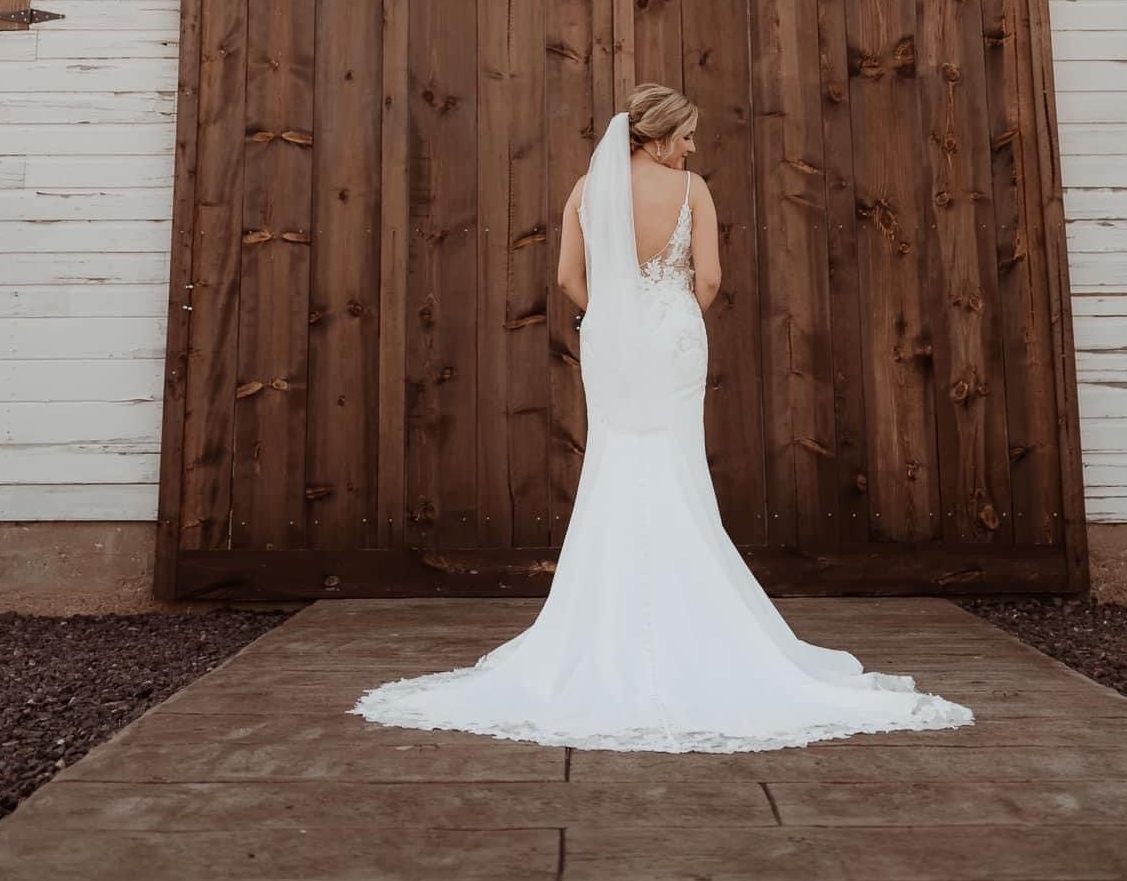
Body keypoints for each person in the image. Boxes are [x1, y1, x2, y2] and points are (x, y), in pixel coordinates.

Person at [349, 84, 974, 751]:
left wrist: (614, 315)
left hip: (610, 337)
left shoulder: (587, 190)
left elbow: (566, 279)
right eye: (687, 136)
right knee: (675, 468)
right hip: (673, 335)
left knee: (616, 464)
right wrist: (668, 316)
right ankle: (695, 623)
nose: (694, 148)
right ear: (661, 137)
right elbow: (707, 280)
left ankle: (606, 625)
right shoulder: (692, 190)